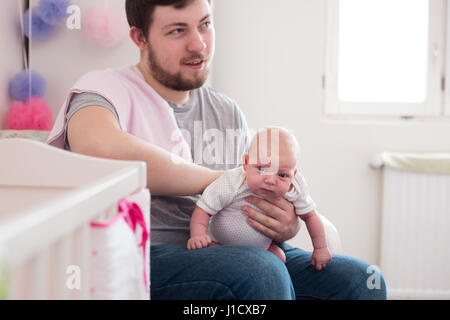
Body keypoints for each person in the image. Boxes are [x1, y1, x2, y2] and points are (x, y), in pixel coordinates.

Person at [47, 0, 386, 299]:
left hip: (235, 249)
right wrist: (221, 179)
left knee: (359, 281)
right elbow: (99, 147)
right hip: (145, 255)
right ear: (139, 38)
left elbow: (252, 201)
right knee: (258, 271)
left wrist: (286, 225)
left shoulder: (227, 111)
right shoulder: (103, 89)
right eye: (178, 31)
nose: (199, 45)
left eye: (205, 24)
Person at [188, 127, 332, 270]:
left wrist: (320, 248)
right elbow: (204, 208)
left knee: (280, 258)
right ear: (246, 162)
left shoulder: (295, 187)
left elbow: (311, 216)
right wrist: (198, 235)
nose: (270, 181)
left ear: (293, 173)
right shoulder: (232, 182)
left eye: (282, 175)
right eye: (262, 169)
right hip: (219, 243)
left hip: (262, 248)